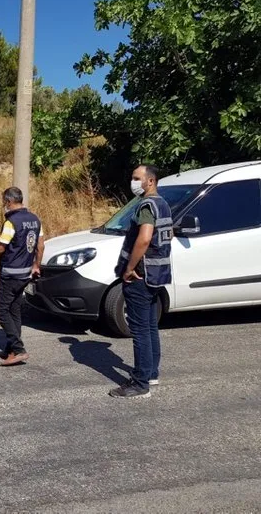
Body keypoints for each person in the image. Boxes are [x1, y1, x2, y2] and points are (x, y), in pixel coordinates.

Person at [109, 165, 173, 399]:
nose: (133, 182)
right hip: (157, 276)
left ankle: (140, 383)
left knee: (140, 331)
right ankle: (151, 374)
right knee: (150, 327)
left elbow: (145, 238)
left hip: (140, 276)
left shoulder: (146, 206)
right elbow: (168, 236)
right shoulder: (163, 204)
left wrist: (129, 268)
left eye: (137, 178)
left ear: (151, 181)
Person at [0, 187, 44, 366]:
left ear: (9, 202)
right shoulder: (35, 219)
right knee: (14, 309)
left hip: (11, 273)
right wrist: (36, 266)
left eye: (4, 202)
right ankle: (11, 348)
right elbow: (41, 246)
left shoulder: (11, 222)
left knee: (1, 310)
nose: (4, 205)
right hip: (25, 272)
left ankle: (18, 349)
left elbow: (1, 248)